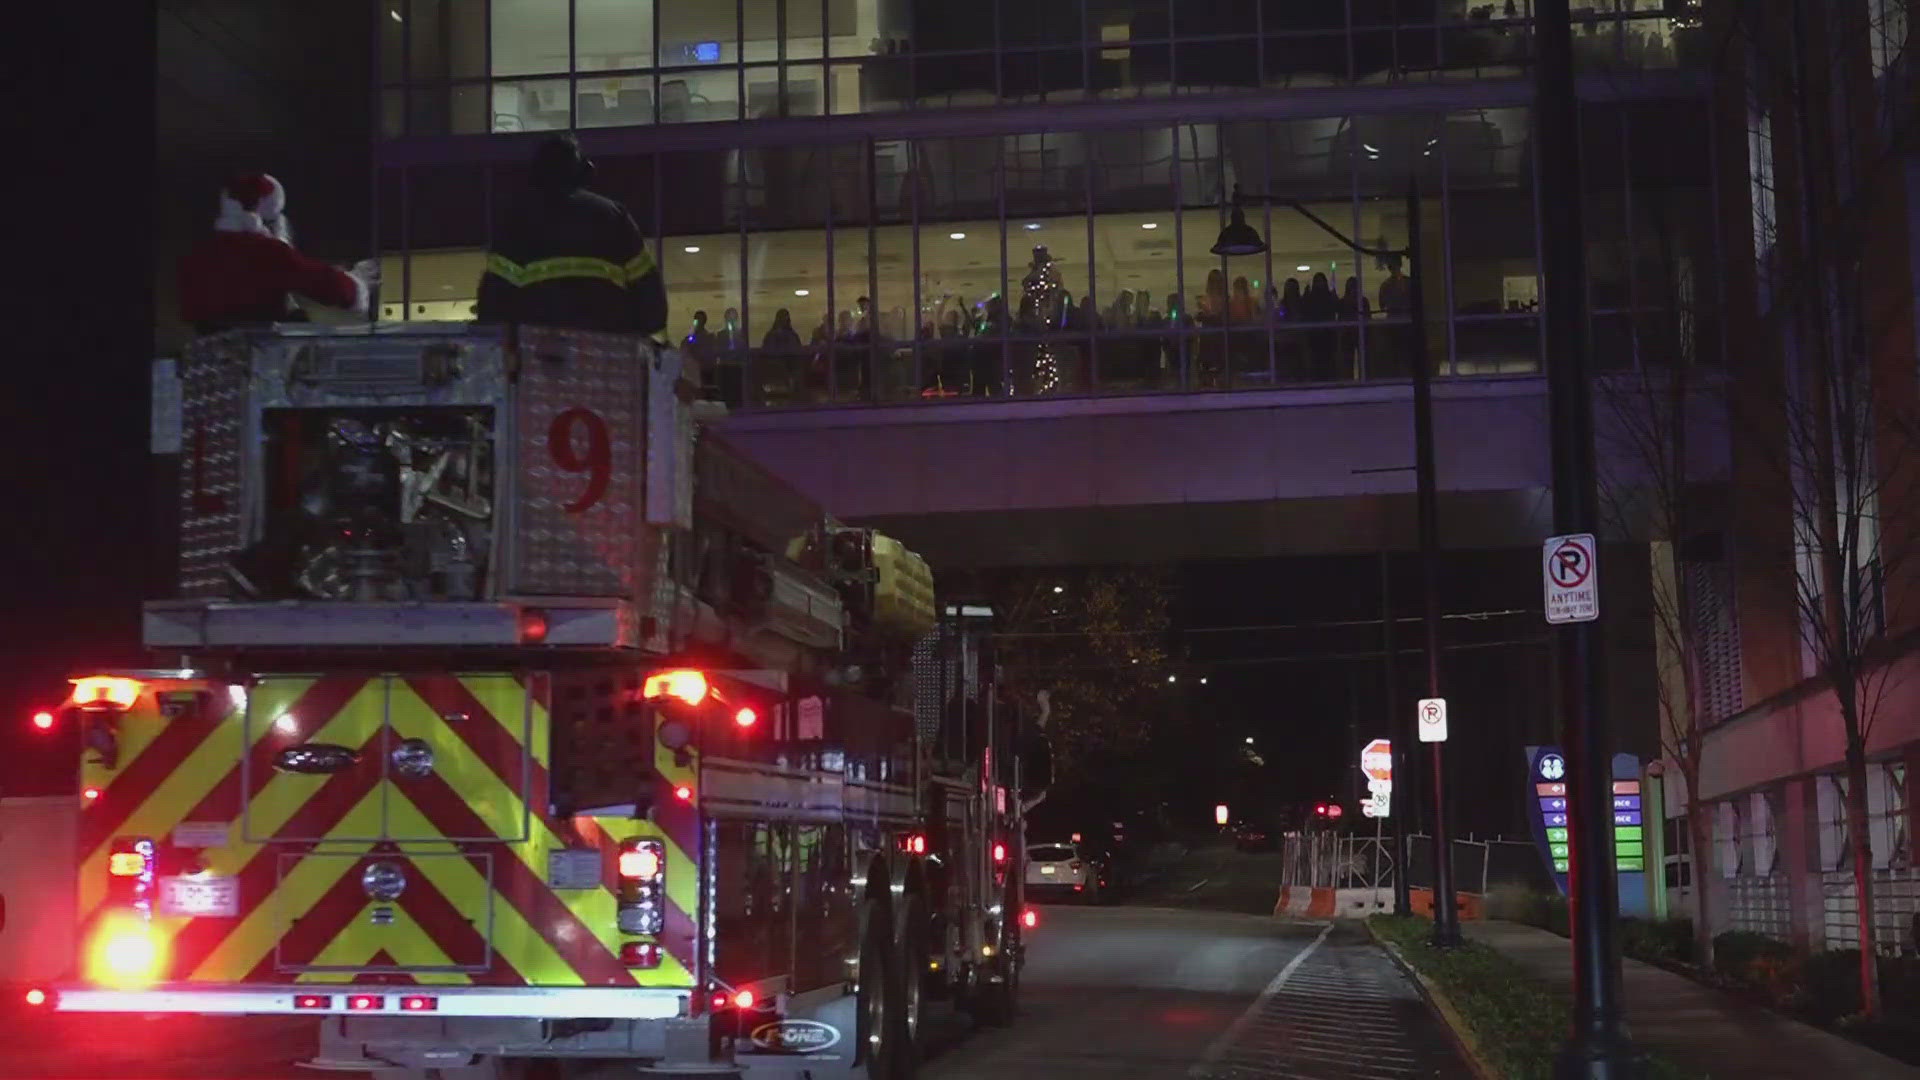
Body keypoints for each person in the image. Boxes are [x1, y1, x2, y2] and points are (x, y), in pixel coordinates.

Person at [475, 135, 666, 335]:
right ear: (584, 171)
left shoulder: (517, 222)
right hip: (606, 355)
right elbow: (652, 306)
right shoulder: (613, 216)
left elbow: (493, 305)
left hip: (539, 355)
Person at [178, 173, 377, 335]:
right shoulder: (266, 251)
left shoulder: (202, 250)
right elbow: (317, 281)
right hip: (258, 348)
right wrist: (355, 286)